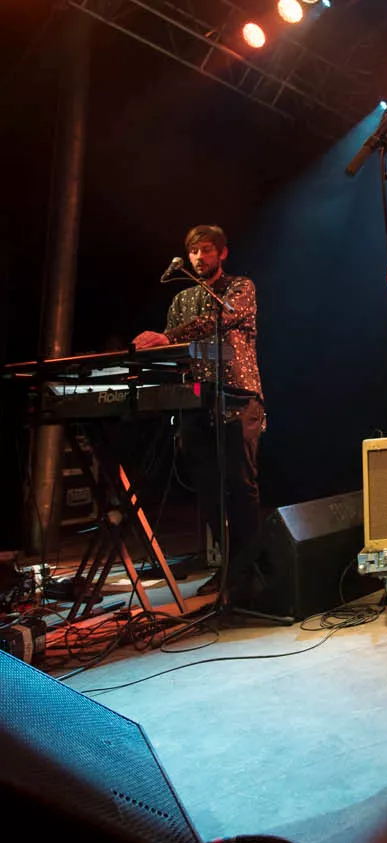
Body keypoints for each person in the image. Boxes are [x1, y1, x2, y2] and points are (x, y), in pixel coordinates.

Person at [134, 225, 264, 596]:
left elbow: (217, 322)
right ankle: (229, 570)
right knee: (208, 488)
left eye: (206, 250)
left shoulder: (240, 288)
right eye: (193, 251)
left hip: (238, 395)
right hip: (197, 399)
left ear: (222, 253)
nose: (198, 257)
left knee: (241, 485)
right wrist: (156, 352)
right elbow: (187, 349)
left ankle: (253, 571)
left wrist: (170, 337)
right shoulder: (181, 300)